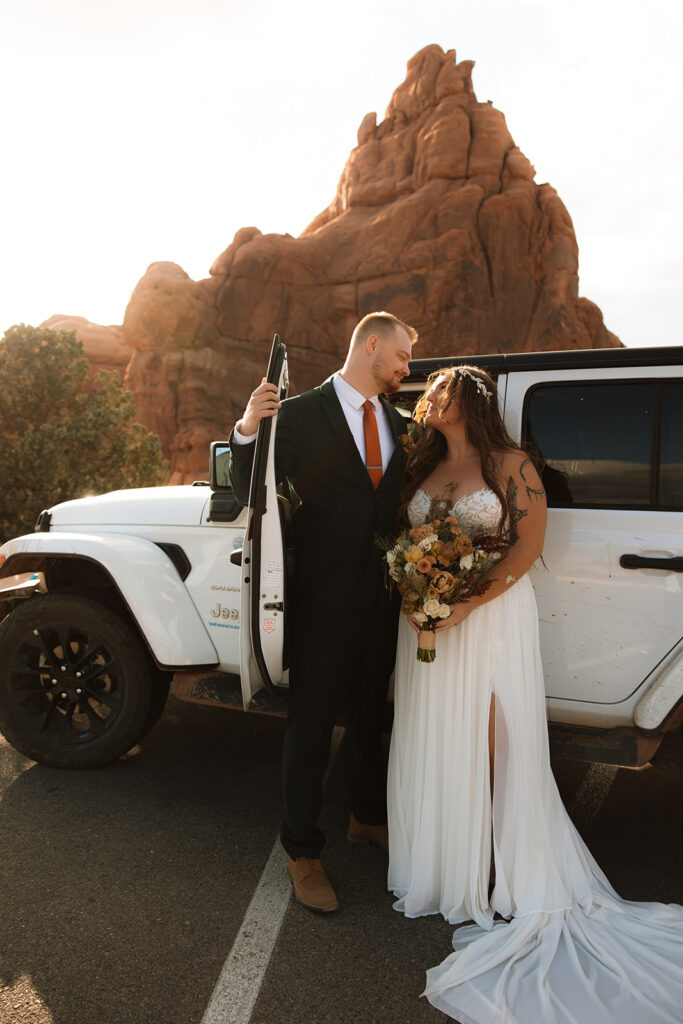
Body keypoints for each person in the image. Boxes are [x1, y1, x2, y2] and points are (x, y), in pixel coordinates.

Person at [387, 365, 683, 1024]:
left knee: (493, 738)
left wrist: (464, 603)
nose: (428, 400)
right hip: (429, 621)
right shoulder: (423, 470)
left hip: (488, 618)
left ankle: (502, 866)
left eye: (439, 390)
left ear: (469, 399)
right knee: (433, 733)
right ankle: (444, 865)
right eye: (426, 392)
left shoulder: (511, 464)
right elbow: (412, 542)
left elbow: (525, 548)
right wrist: (419, 592)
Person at [229, 312, 417, 913]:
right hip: (318, 603)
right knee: (309, 730)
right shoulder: (298, 412)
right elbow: (249, 489)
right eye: (403, 356)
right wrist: (248, 428)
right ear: (371, 345)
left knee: (370, 719)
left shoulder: (399, 423)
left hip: (382, 603)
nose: (406, 369)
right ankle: (303, 851)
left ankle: (366, 816)